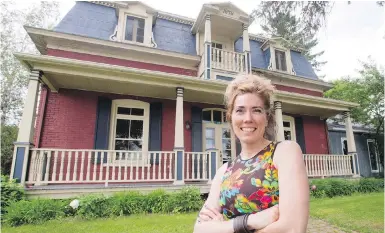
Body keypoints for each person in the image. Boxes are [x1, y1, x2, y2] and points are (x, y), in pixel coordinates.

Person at [194, 74, 309, 233]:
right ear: (231, 117)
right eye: (240, 111)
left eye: (256, 110)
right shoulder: (224, 172)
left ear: (267, 117)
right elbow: (200, 229)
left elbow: (292, 228)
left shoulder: (284, 152)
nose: (248, 119)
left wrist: (221, 228)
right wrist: (251, 221)